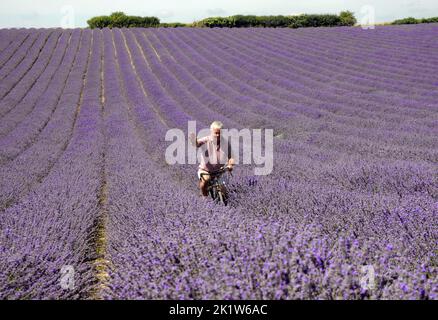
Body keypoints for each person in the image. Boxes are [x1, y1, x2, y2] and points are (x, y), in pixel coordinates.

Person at [190, 121, 235, 197]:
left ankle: (223, 203)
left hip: (219, 171)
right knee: (206, 180)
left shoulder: (225, 143)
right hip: (205, 170)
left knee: (223, 191)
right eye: (215, 133)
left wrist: (230, 165)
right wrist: (193, 140)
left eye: (219, 133)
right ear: (211, 132)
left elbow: (231, 157)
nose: (217, 135)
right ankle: (205, 197)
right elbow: (197, 144)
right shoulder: (206, 140)